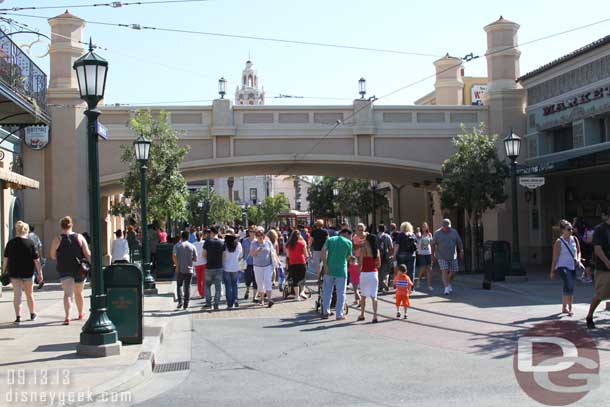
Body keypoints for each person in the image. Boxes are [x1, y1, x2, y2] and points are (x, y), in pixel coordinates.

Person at [49, 216, 91, 325]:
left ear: (61, 226)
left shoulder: (57, 239)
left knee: (68, 293)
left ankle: (67, 316)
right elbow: (87, 254)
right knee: (79, 292)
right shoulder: (80, 237)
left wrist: (60, 256)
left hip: (64, 268)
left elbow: (52, 255)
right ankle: (81, 313)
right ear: (71, 225)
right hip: (79, 269)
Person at [3, 221, 42, 324]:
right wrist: (40, 273)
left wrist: (3, 271)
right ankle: (32, 313)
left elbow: (5, 258)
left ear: (17, 230)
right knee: (29, 294)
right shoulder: (31, 243)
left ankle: (18, 316)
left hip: (14, 272)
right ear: (27, 231)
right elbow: (36, 260)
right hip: (28, 272)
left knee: (17, 295)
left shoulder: (11, 243)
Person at [550, 220, 581, 316]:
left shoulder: (574, 239)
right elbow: (555, 258)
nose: (571, 230)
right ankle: (569, 308)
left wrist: (578, 259)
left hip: (572, 266)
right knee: (569, 284)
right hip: (562, 266)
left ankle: (564, 307)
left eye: (572, 228)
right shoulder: (559, 242)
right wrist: (552, 271)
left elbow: (579, 251)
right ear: (563, 230)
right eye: (568, 229)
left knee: (568, 286)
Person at [586, 207, 610, 329]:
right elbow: (597, 249)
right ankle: (589, 316)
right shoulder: (600, 229)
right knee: (601, 294)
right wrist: (607, 262)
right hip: (604, 268)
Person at [321, 228, 353, 320]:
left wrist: (325, 264)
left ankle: (325, 311)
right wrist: (353, 260)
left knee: (327, 291)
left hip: (329, 269)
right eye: (350, 236)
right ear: (346, 233)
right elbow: (348, 258)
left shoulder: (330, 239)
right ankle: (339, 314)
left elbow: (323, 251)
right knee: (341, 293)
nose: (351, 238)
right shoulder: (348, 243)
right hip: (341, 271)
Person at [431, 218, 464, 296]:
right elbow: (432, 244)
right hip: (441, 255)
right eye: (446, 227)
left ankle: (448, 282)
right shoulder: (437, 233)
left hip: (453, 255)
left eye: (448, 227)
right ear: (442, 226)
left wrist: (461, 251)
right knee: (444, 270)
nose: (447, 228)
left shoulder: (454, 232)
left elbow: (459, 242)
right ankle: (446, 288)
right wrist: (432, 255)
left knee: (454, 271)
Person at [357, 233, 381, 323]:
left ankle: (362, 314)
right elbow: (379, 264)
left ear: (367, 240)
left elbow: (360, 263)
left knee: (363, 296)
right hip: (374, 273)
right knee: (374, 296)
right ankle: (375, 316)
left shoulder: (363, 249)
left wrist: (358, 272)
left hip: (365, 273)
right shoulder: (376, 250)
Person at [250, 226, 275, 307]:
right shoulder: (254, 243)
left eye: (261, 236)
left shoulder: (268, 243)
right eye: (258, 236)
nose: (260, 238)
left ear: (264, 236)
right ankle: (262, 299)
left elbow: (272, 253)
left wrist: (275, 263)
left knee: (268, 281)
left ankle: (269, 299)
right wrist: (257, 251)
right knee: (260, 283)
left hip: (268, 265)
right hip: (257, 266)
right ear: (256, 237)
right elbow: (251, 254)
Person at [173, 231, 197, 310]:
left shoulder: (177, 246)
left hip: (180, 269)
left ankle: (180, 301)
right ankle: (186, 304)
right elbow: (195, 259)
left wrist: (177, 265)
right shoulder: (192, 246)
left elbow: (174, 256)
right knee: (187, 287)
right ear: (188, 237)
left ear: (181, 237)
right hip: (189, 269)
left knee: (179, 285)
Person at [202, 226, 224, 310]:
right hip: (219, 267)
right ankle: (216, 303)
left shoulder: (207, 242)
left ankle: (208, 303)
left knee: (207, 286)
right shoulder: (221, 242)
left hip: (209, 267)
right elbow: (223, 256)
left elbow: (203, 254)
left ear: (211, 233)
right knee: (218, 287)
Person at [285, 229, 309, 300]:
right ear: (299, 235)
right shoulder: (302, 243)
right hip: (301, 262)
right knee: (302, 278)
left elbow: (288, 256)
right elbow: (306, 254)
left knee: (295, 279)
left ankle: (297, 296)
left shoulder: (288, 244)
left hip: (293, 263)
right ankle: (302, 292)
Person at [223, 229, 242, 309]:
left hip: (226, 267)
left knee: (228, 285)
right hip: (236, 266)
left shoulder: (225, 245)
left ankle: (229, 303)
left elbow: (223, 257)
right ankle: (235, 300)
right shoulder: (238, 244)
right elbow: (241, 255)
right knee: (234, 284)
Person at [416, 222, 434, 291]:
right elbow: (417, 239)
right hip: (422, 253)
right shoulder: (419, 234)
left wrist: (433, 253)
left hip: (428, 253)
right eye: (423, 226)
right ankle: (418, 281)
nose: (424, 227)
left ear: (427, 227)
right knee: (423, 268)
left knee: (429, 269)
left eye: (425, 226)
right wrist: (418, 234)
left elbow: (431, 244)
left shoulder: (429, 234)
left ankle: (429, 285)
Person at [241, 227, 257, 302]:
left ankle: (254, 297)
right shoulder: (245, 241)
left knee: (255, 279)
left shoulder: (257, 241)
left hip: (256, 263)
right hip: (247, 263)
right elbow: (243, 252)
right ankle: (247, 289)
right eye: (250, 231)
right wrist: (242, 260)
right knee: (248, 278)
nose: (252, 233)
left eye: (253, 231)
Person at [377, 224, 394, 292]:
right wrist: (390, 255)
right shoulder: (387, 236)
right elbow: (391, 247)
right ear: (385, 229)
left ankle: (380, 286)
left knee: (379, 271)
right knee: (386, 271)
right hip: (385, 256)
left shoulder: (375, 236)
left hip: (378, 256)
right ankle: (384, 282)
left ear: (378, 229)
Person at [193, 231, 206, 298]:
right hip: (204, 262)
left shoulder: (193, 244)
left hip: (196, 263)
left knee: (198, 279)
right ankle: (203, 292)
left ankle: (200, 293)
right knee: (203, 279)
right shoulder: (204, 243)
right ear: (202, 236)